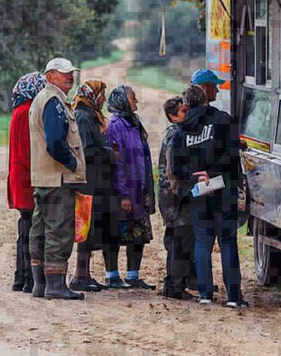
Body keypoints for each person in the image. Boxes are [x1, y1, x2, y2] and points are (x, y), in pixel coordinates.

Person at [172, 82, 248, 308]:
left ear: (186, 104)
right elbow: (233, 152)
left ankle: (205, 294)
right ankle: (233, 297)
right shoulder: (224, 120)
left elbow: (175, 166)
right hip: (223, 187)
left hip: (198, 192)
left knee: (203, 242)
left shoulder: (180, 131)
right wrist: (213, 173)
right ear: (205, 99)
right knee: (227, 241)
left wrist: (196, 177)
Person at [28, 57, 86, 300]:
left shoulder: (41, 99)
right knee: (58, 230)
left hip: (43, 177)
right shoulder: (54, 101)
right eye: (63, 73)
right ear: (50, 76)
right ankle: (55, 286)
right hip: (57, 177)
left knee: (40, 229)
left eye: (71, 73)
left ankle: (40, 285)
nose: (69, 77)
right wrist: (73, 163)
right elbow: (55, 143)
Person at [69, 79, 119, 293]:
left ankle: (85, 274)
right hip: (87, 182)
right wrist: (110, 154)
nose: (104, 99)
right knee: (84, 230)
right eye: (101, 95)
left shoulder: (90, 115)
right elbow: (86, 151)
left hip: (94, 181)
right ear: (92, 95)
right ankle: (79, 276)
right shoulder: (83, 116)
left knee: (89, 229)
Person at [104, 85, 156, 290]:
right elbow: (117, 163)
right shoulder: (115, 125)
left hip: (139, 188)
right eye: (133, 98)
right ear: (122, 101)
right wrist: (123, 194)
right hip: (124, 190)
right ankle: (112, 275)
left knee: (138, 233)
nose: (136, 102)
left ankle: (133, 275)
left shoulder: (134, 122)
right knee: (116, 232)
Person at [7, 71, 46, 293]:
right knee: (30, 230)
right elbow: (26, 150)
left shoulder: (20, 110)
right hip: (26, 179)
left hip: (21, 178)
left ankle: (21, 279)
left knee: (26, 228)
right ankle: (27, 279)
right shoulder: (26, 111)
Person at [157, 96, 196, 300]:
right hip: (174, 197)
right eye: (182, 111)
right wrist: (180, 192)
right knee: (180, 241)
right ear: (173, 116)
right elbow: (172, 170)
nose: (186, 114)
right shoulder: (175, 135)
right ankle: (175, 286)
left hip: (171, 196)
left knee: (175, 241)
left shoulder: (175, 133)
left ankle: (174, 283)